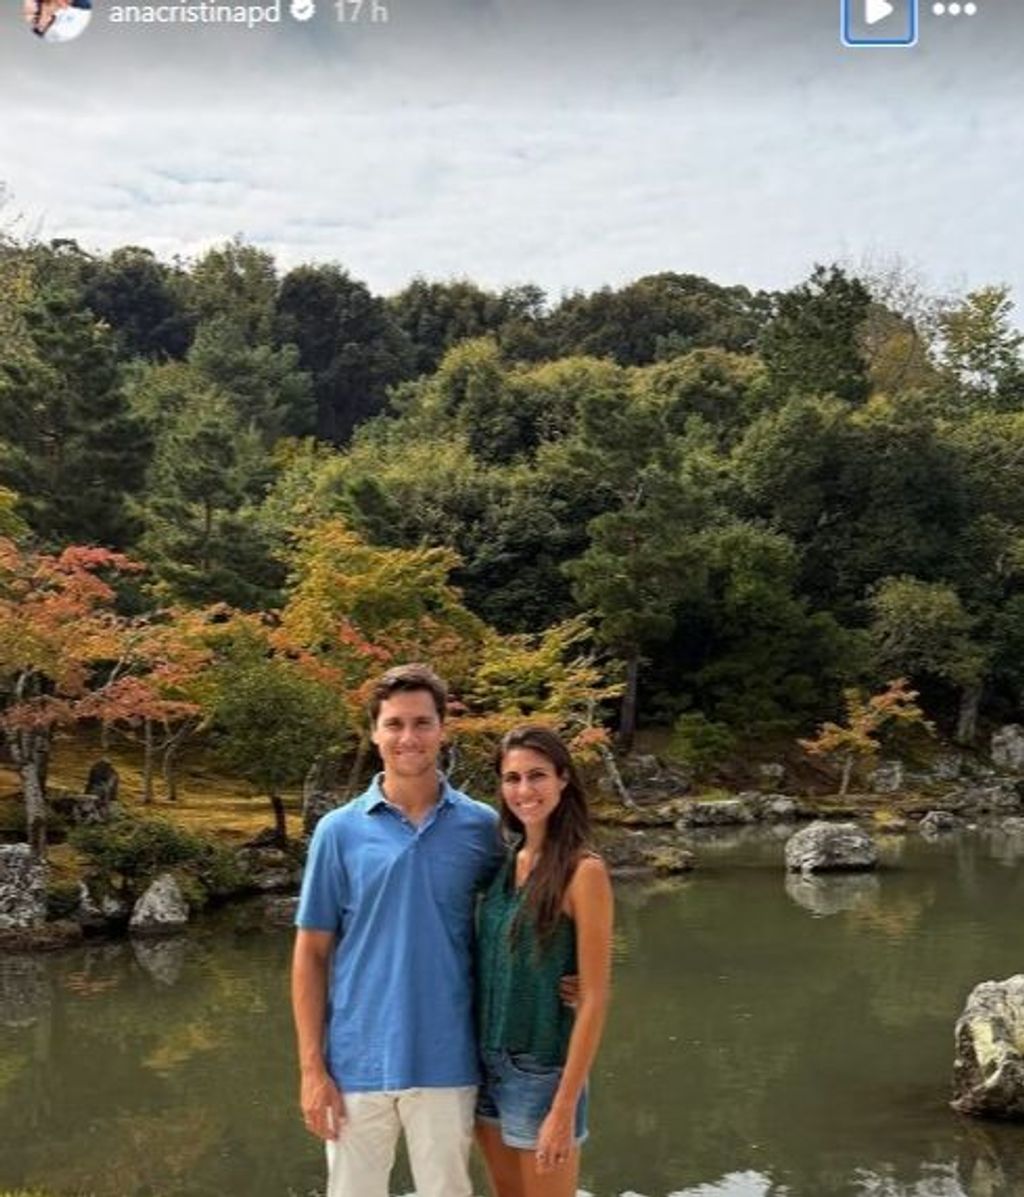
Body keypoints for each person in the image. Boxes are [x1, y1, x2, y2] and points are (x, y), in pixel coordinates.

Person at [291, 662, 504, 1197]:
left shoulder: (482, 827)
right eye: (394, 724)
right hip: (354, 1063)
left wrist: (565, 977)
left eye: (422, 723)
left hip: (449, 1056)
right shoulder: (337, 832)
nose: (408, 737)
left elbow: (521, 916)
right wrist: (313, 1070)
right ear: (374, 732)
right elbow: (311, 953)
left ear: (442, 729)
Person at [476, 724, 614, 1197]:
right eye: (512, 778)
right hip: (486, 1066)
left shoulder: (584, 871)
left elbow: (594, 997)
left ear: (563, 780)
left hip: (540, 1072)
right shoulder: (505, 861)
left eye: (536, 775)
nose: (524, 790)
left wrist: (563, 1106)